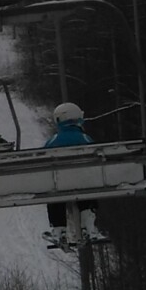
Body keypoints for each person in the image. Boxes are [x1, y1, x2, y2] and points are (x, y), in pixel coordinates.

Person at [43, 102, 105, 246]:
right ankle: (89, 227)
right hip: (83, 182)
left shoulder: (52, 142)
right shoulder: (84, 139)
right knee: (86, 189)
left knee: (55, 194)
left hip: (59, 183)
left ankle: (58, 230)